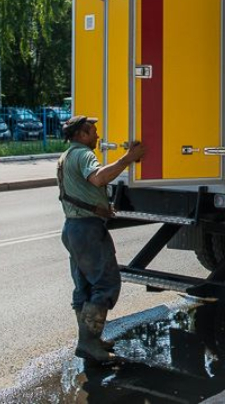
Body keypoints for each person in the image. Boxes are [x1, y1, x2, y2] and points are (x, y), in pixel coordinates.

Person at [58, 115, 145, 363]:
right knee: (106, 283)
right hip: (87, 230)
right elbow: (97, 178)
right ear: (82, 134)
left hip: (73, 228)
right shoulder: (84, 154)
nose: (97, 136)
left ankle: (90, 341)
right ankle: (88, 343)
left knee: (84, 285)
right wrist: (128, 158)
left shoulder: (66, 155)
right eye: (93, 132)